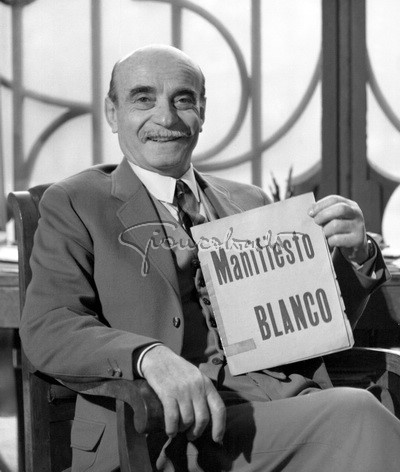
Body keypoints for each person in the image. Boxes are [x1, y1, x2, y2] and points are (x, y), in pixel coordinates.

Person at [20, 44, 400, 472]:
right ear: (113, 113)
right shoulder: (76, 201)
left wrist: (356, 257)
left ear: (202, 111)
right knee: (358, 416)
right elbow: (49, 326)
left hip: (286, 408)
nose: (166, 118)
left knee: (363, 417)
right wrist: (148, 356)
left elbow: (307, 325)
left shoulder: (250, 202)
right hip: (168, 430)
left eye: (183, 100)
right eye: (143, 99)